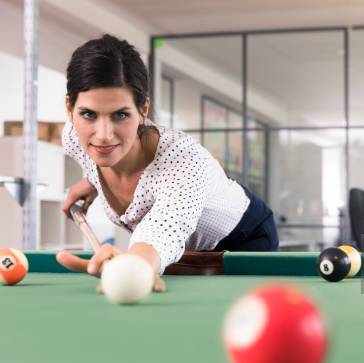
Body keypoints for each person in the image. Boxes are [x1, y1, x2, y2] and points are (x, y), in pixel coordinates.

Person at [56, 34, 278, 276]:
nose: (103, 135)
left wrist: (133, 268)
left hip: (242, 240)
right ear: (70, 108)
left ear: (143, 110)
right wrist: (92, 180)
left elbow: (161, 234)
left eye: (120, 115)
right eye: (89, 114)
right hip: (178, 251)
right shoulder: (74, 139)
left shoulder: (184, 163)